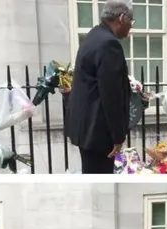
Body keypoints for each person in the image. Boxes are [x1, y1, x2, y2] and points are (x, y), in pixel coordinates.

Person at [65, 0, 133, 174]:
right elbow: (111, 95)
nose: (130, 27)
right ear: (122, 18)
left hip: (86, 128)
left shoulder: (94, 35)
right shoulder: (109, 44)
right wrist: (118, 137)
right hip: (98, 132)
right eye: (130, 21)